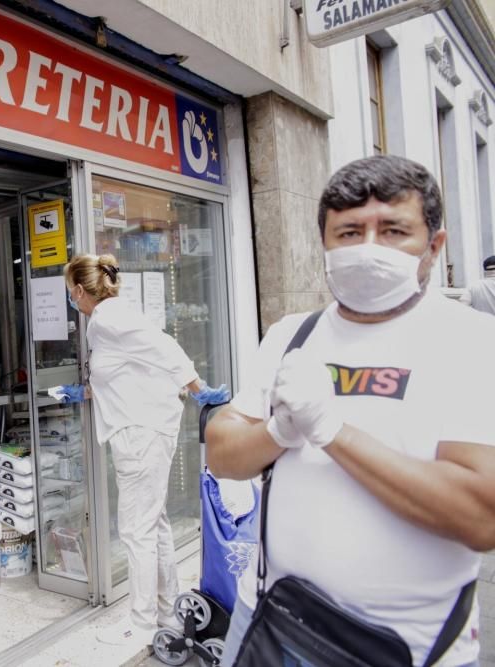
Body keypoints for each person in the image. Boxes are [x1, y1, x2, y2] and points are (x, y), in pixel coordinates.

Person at [207, 155, 495, 666]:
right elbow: (223, 454)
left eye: (393, 230)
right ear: (324, 243)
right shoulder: (292, 336)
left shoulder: (471, 342)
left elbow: (480, 514)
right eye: (349, 233)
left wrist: (332, 430)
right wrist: (278, 430)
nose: (368, 249)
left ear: (434, 246)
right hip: (270, 621)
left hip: (411, 647)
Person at [63, 253, 229, 648]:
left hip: (140, 435)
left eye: (71, 292)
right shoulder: (112, 318)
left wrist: (198, 388)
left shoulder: (105, 319)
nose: (72, 300)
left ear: (81, 290)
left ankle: (139, 624)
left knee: (137, 531)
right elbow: (128, 370)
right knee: (154, 525)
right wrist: (85, 391)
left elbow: (164, 347)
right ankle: (168, 608)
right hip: (147, 430)